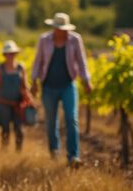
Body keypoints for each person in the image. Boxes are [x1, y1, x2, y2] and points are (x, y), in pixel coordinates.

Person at [30, 12, 92, 167]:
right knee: (51, 121)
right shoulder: (44, 40)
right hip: (48, 86)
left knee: (72, 119)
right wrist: (34, 81)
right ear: (53, 28)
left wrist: (86, 80)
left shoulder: (75, 40)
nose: (60, 31)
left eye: (62, 28)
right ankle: (54, 151)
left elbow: (81, 61)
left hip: (68, 85)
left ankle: (73, 156)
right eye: (57, 28)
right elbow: (38, 60)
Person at [0, 40, 32, 151]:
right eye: (7, 53)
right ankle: (4, 151)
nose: (10, 56)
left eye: (12, 53)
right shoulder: (0, 68)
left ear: (15, 54)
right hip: (4, 104)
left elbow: (25, 86)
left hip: (18, 105)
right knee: (5, 130)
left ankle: (18, 152)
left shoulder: (21, 68)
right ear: (4, 55)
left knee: (19, 130)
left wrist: (30, 99)